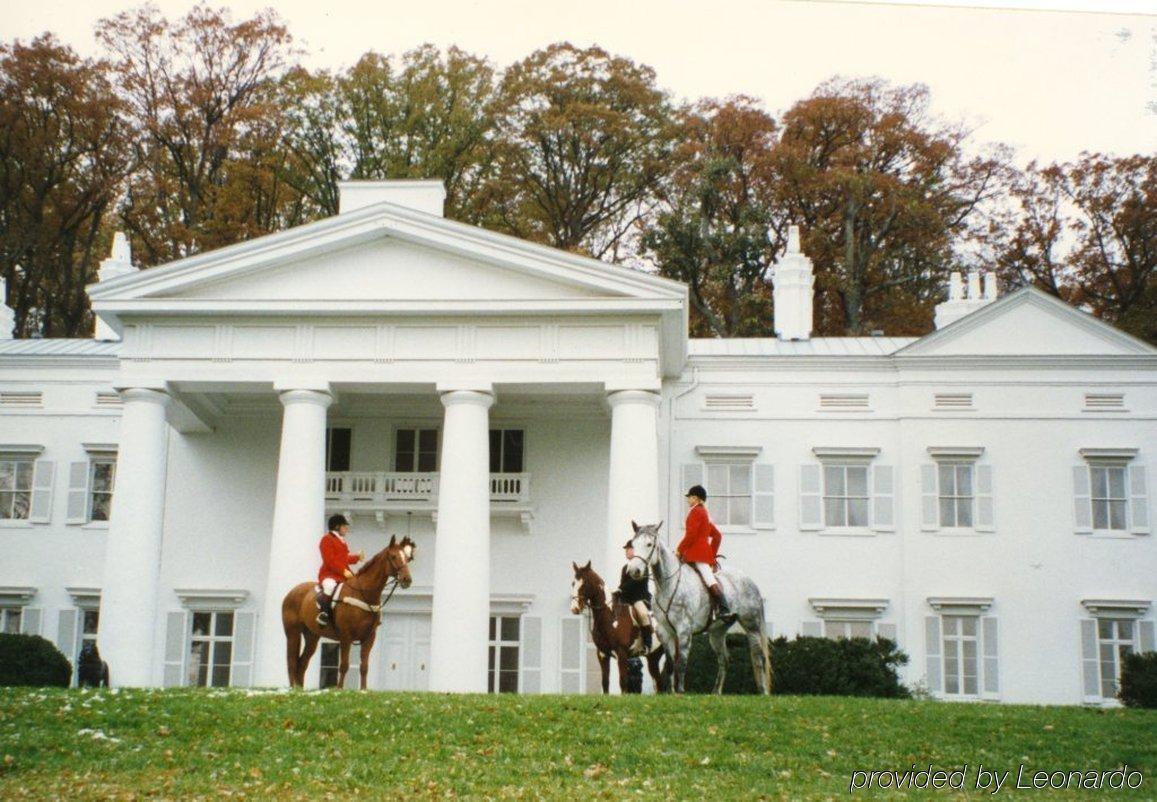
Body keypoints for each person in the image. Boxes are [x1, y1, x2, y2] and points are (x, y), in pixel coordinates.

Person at [676, 484, 736, 624]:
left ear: (696, 498)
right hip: (700, 554)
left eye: (690, 497)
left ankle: (724, 608)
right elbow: (717, 536)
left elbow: (691, 535)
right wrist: (711, 555)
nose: (688, 500)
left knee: (709, 579)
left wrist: (679, 549)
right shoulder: (704, 513)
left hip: (696, 554)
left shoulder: (696, 512)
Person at [316, 514, 363, 627]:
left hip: (343, 575)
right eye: (344, 526)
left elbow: (344, 559)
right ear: (337, 526)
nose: (346, 529)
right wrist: (343, 571)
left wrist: (357, 557)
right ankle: (324, 614)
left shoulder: (342, 541)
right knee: (330, 586)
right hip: (329, 574)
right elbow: (330, 560)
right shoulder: (326, 539)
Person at [617, 538, 654, 652]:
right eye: (626, 549)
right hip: (627, 599)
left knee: (643, 614)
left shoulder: (642, 566)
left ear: (635, 550)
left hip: (639, 598)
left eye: (629, 549)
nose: (626, 551)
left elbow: (636, 582)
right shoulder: (625, 568)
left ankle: (648, 643)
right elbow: (622, 584)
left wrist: (621, 588)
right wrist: (618, 593)